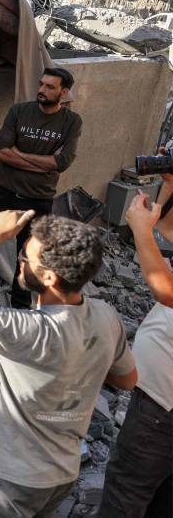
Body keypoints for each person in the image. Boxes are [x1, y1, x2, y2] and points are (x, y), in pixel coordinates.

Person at [0, 212, 137, 518]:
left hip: (8, 476)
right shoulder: (105, 316)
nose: (20, 259)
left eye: (25, 256)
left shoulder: (27, 331)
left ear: (49, 276)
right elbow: (127, 380)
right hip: (60, 473)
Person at [0, 67, 81, 309]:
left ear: (64, 92)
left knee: (30, 255)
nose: (42, 90)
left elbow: (62, 162)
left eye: (50, 87)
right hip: (3, 191)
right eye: (41, 84)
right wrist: (43, 163)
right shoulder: (19, 111)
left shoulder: (71, 122)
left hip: (38, 198)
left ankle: (20, 306)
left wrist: (21, 154)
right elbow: (2, 153)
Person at [98, 189, 173, 517]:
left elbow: (167, 291)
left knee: (126, 495)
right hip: (159, 403)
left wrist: (141, 231)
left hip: (162, 412)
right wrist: (169, 187)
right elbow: (169, 229)